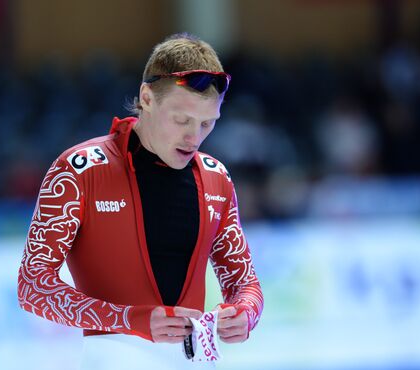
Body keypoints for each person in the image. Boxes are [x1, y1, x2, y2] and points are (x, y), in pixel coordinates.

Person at [17, 33, 264, 369]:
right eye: (181, 120)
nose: (194, 138)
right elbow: (32, 286)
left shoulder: (216, 178)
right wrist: (129, 318)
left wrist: (244, 313)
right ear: (147, 97)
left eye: (207, 123)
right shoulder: (79, 172)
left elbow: (244, 282)